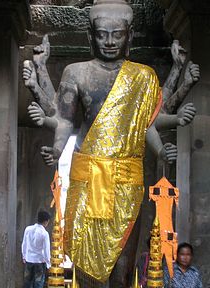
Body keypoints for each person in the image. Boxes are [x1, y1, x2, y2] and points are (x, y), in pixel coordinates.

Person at [22, 1, 197, 286]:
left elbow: (146, 124)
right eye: (102, 34)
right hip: (88, 177)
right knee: (86, 257)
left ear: (129, 35)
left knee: (123, 260)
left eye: (117, 34)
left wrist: (162, 149)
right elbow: (66, 120)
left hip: (127, 180)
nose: (110, 41)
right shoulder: (76, 72)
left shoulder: (142, 76)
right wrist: (56, 151)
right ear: (91, 36)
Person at [22, 210, 51, 288]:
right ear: (46, 221)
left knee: (27, 282)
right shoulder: (44, 234)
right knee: (38, 283)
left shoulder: (28, 229)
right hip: (40, 262)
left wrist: (24, 256)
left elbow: (24, 244)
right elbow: (46, 250)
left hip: (29, 260)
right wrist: (48, 263)